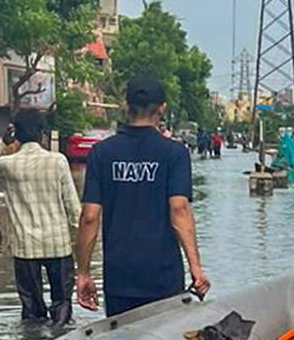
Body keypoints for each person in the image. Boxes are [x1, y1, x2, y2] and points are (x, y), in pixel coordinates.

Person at [75, 74, 210, 317]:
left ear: (126, 107)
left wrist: (83, 273)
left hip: (119, 277)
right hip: (163, 276)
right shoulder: (175, 154)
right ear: (162, 109)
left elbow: (89, 217)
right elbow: (179, 210)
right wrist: (196, 268)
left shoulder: (101, 153)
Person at [0, 108, 80, 326]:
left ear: (16, 134)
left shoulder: (8, 164)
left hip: (26, 247)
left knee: (32, 310)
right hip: (58, 245)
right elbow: (73, 207)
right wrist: (83, 240)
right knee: (62, 303)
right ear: (42, 133)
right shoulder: (58, 161)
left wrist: (2, 144)